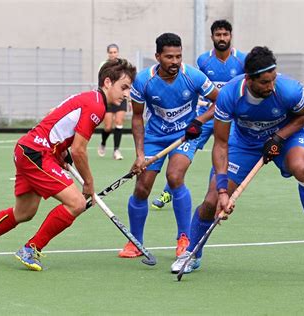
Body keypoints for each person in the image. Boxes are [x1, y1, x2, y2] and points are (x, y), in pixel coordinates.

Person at [0, 58, 137, 271]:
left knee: (24, 212)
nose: (126, 94)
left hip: (27, 149)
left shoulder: (88, 98)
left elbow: (53, 117)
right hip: (37, 153)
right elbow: (79, 150)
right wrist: (88, 182)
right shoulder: (96, 105)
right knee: (77, 203)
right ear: (107, 82)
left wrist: (60, 152)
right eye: (123, 87)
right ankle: (31, 248)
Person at [171, 46, 304, 274]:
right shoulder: (230, 96)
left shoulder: (288, 89)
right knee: (211, 201)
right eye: (264, 82)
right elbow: (220, 145)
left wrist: (279, 137)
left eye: (273, 80)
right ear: (249, 79)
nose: (271, 87)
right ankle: (192, 253)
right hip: (244, 143)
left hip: (286, 136)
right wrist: (223, 192)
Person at [118, 33, 219, 259]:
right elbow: (136, 117)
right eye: (169, 57)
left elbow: (219, 100)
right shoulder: (144, 80)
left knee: (175, 177)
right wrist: (140, 154)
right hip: (155, 137)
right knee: (142, 188)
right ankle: (135, 242)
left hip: (185, 136)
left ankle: (184, 238)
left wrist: (198, 121)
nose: (174, 62)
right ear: (157, 57)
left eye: (178, 56)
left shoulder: (193, 76)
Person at [151, 19, 246, 210]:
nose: (222, 38)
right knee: (183, 150)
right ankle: (168, 192)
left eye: (225, 34)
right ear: (212, 37)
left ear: (231, 36)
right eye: (218, 35)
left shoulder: (241, 60)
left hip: (231, 118)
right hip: (206, 115)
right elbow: (197, 86)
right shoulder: (204, 60)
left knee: (225, 153)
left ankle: (217, 194)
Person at [97, 44, 129, 160]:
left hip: (120, 97)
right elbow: (101, 82)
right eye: (111, 52)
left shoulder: (122, 65)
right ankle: (103, 142)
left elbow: (126, 81)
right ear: (108, 53)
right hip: (108, 98)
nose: (113, 54)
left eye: (115, 52)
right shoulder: (103, 65)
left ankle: (116, 150)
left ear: (118, 53)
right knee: (108, 126)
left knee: (119, 121)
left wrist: (129, 98)